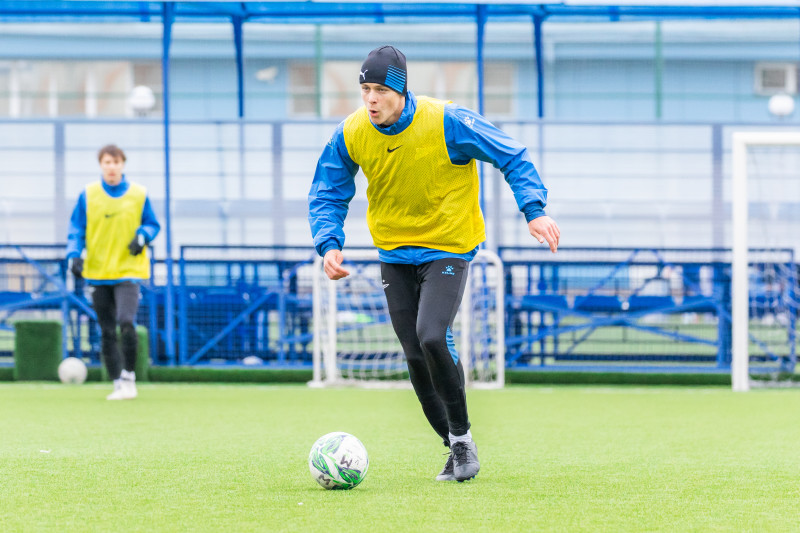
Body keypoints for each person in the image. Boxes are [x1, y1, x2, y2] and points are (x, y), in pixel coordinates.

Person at [308, 45, 560, 482]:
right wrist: (328, 243)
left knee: (431, 336)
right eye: (365, 89)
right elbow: (328, 190)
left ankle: (462, 438)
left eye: (380, 90)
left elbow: (512, 155)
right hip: (394, 252)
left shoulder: (448, 120)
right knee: (413, 352)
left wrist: (534, 210)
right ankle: (454, 447)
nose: (370, 99)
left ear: (401, 91)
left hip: (448, 246)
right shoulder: (350, 132)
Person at [66, 144, 160, 400]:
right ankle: (117, 381)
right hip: (98, 271)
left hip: (128, 271)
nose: (111, 167)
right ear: (101, 165)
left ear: (122, 165)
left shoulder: (139, 194)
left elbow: (152, 224)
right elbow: (76, 228)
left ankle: (130, 376)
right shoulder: (88, 194)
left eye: (116, 162)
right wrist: (73, 255)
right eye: (107, 162)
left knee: (126, 323)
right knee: (106, 330)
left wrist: (142, 236)